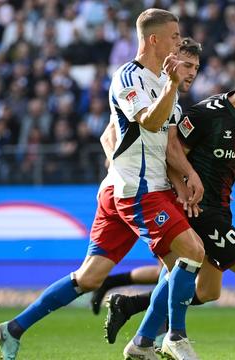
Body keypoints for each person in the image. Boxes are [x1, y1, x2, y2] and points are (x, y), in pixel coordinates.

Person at [0, 9, 205, 360]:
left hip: (119, 186)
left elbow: (156, 139)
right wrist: (168, 87)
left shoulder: (164, 83)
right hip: (139, 190)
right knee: (190, 256)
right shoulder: (129, 77)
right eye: (174, 35)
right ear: (154, 39)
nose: (178, 42)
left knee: (90, 277)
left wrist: (186, 176)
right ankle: (164, 338)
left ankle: (13, 329)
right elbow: (149, 123)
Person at [104, 59, 235, 360]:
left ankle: (131, 307)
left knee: (208, 291)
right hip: (199, 212)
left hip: (221, 210)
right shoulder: (204, 115)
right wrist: (184, 188)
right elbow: (172, 154)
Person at [89, 37, 203, 316]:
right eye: (186, 64)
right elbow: (109, 135)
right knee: (183, 267)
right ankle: (159, 334)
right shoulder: (140, 82)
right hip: (141, 189)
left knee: (177, 268)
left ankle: (144, 326)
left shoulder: (169, 94)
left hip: (157, 188)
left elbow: (167, 148)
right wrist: (122, 166)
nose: (191, 72)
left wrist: (183, 180)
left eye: (196, 68)